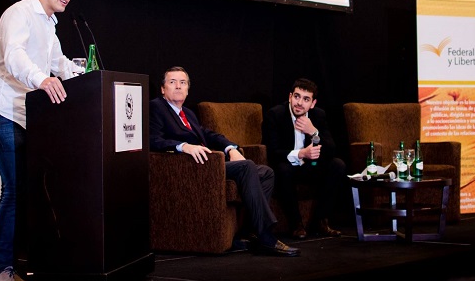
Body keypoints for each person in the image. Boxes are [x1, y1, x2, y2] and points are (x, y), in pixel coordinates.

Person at [0, 0, 85, 281]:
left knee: (27, 193)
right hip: (4, 114)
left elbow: (61, 64)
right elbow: (15, 57)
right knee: (13, 192)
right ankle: (0, 272)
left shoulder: (49, 26)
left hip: (29, 120)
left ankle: (21, 264)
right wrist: (42, 79)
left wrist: (88, 76)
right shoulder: (19, 14)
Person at [149, 66, 300, 257]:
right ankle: (266, 236)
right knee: (247, 166)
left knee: (266, 172)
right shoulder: (156, 107)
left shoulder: (187, 113)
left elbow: (208, 134)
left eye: (183, 83)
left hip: (209, 165)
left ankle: (249, 233)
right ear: (163, 89)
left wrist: (231, 148)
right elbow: (152, 140)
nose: (178, 86)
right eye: (172, 82)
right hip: (189, 167)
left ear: (188, 89)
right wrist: (183, 146)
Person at [262, 78, 347, 239]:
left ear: (312, 103)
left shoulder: (318, 115)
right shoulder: (275, 115)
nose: (300, 103)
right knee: (283, 169)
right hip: (287, 167)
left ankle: (320, 221)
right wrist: (301, 153)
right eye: (297, 96)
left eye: (306, 99)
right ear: (290, 97)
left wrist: (314, 132)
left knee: (337, 165)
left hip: (310, 167)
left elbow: (331, 149)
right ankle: (296, 225)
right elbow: (272, 152)